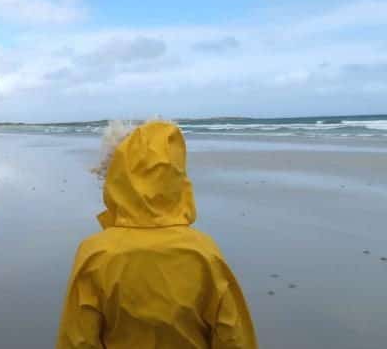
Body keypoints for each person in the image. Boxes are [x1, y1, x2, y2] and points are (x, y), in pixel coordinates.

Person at [56, 120, 257, 348]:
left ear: (114, 177)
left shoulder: (94, 254)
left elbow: (78, 339)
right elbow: (232, 336)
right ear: (177, 179)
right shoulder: (204, 253)